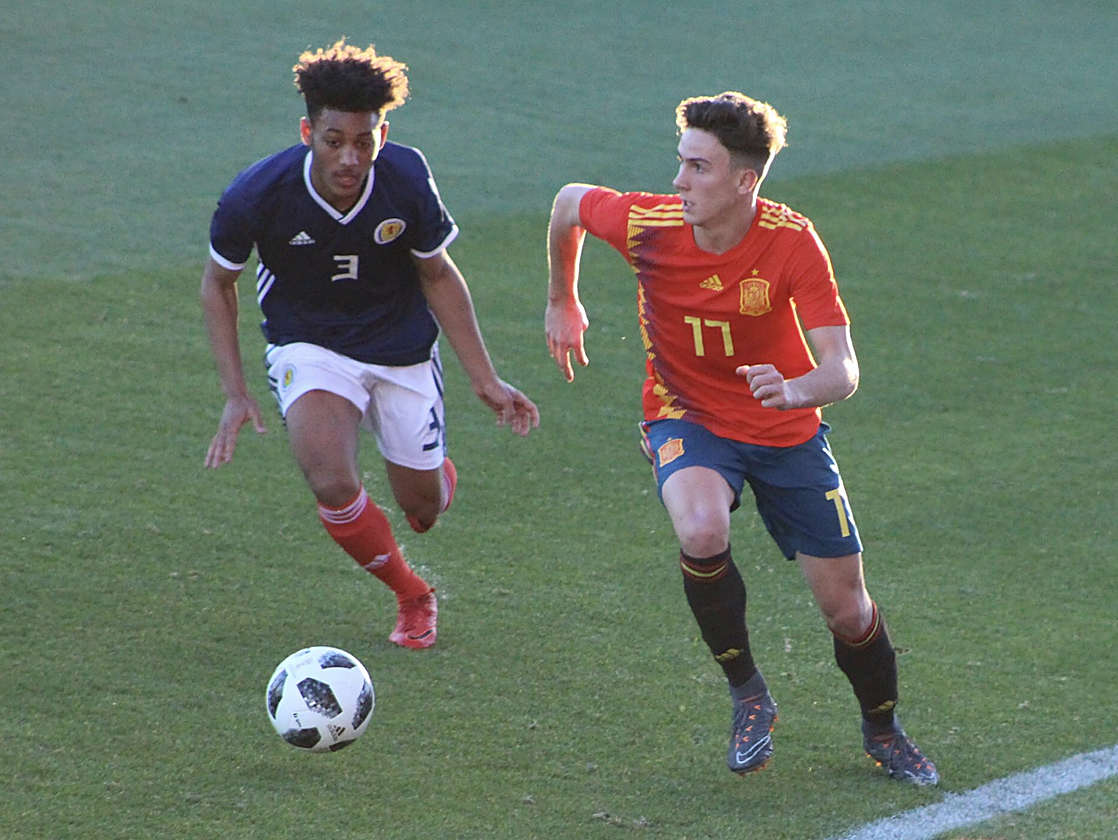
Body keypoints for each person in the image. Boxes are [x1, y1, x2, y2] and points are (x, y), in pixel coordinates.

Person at [544, 92, 937, 784]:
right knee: (701, 529)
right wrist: (561, 299)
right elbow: (568, 203)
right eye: (681, 162)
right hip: (688, 417)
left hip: (787, 432)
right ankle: (748, 692)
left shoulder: (792, 242)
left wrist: (796, 390)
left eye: (698, 168)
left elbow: (842, 368)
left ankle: (883, 729)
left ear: (745, 180)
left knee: (848, 612)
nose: (679, 181)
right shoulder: (649, 225)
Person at [202, 40, 538, 650]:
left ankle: (432, 477)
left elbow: (438, 273)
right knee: (330, 478)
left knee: (423, 510)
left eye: (364, 141)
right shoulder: (257, 194)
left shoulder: (405, 178)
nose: (350, 158)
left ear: (383, 134)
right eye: (334, 141)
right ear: (308, 132)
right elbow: (217, 283)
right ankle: (413, 595)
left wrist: (485, 378)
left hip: (401, 349)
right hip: (310, 346)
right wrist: (235, 391)